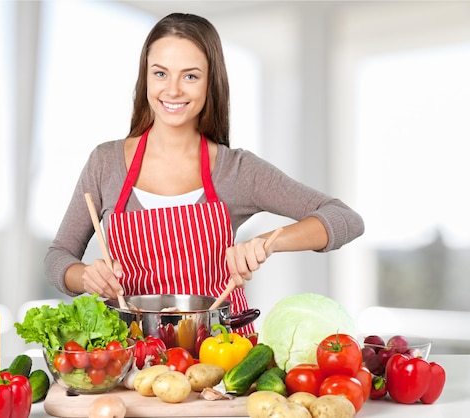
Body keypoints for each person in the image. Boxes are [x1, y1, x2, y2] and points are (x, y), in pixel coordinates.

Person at [45, 13, 364, 335]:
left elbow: (345, 219)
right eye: (160, 73)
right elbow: (58, 256)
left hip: (221, 361)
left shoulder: (236, 170)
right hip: (130, 358)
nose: (172, 90)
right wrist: (84, 275)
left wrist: (267, 243)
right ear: (145, 78)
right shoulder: (106, 162)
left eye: (190, 76)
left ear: (211, 81)